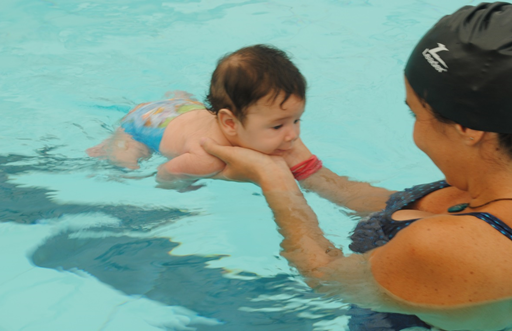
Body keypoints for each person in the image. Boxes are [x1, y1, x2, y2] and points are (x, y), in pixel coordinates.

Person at [200, 2, 512, 330]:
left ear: (470, 129)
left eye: (416, 114)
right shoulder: (489, 183)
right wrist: (306, 169)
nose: (415, 132)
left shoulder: (443, 249)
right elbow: (391, 204)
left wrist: (272, 177)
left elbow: (324, 277)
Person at [87, 44, 306, 191]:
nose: (293, 135)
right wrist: (183, 185)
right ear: (230, 123)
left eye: (296, 120)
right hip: (143, 124)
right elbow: (166, 172)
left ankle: (175, 98)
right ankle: (110, 145)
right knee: (126, 168)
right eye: (278, 126)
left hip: (181, 109)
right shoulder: (207, 158)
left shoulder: (237, 119)